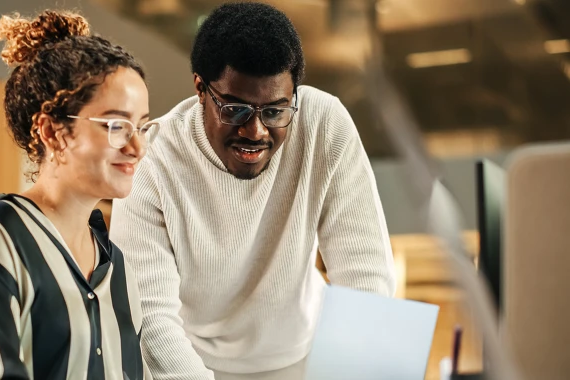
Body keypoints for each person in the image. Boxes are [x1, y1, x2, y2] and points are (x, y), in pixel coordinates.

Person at [110, 2, 396, 379]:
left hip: (305, 357)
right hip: (193, 365)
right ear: (200, 88)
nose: (256, 132)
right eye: (236, 109)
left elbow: (365, 276)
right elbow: (151, 319)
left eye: (276, 111)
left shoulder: (324, 124)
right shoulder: (153, 161)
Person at [0, 10, 157, 380]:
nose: (137, 147)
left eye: (142, 127)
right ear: (53, 132)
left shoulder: (117, 268)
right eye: (117, 125)